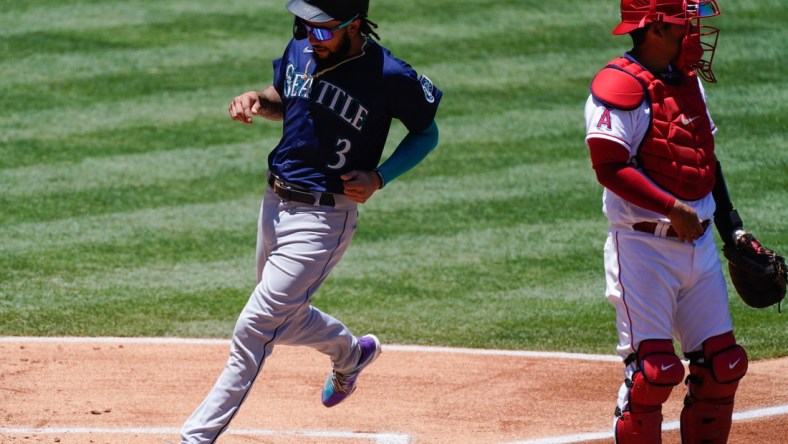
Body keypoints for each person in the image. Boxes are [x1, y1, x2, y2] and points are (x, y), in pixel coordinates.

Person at [180, 0, 441, 441]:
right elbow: (288, 96)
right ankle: (350, 354)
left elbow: (426, 131)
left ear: (355, 26)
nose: (309, 37)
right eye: (303, 26)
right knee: (284, 316)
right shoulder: (304, 45)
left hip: (323, 219)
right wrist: (258, 100)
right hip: (274, 203)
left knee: (256, 326)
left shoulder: (389, 76)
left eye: (322, 30)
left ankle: (195, 437)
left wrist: (381, 176)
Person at [584, 1, 750, 442]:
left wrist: (731, 227)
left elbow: (702, 162)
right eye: (683, 22)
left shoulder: (688, 83)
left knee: (722, 364)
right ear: (655, 27)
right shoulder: (618, 84)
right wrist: (670, 207)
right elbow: (609, 166)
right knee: (654, 375)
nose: (692, 31)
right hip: (643, 249)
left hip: (699, 248)